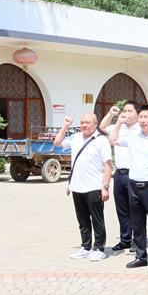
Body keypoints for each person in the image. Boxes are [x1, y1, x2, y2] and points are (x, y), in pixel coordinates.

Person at [110, 105, 148, 271]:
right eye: (141, 117)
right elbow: (113, 140)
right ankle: (140, 257)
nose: (143, 120)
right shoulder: (133, 137)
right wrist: (118, 123)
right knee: (137, 225)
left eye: (146, 117)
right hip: (134, 186)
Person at [54, 112, 112, 261]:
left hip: (94, 186)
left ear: (95, 124)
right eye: (82, 123)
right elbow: (57, 142)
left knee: (97, 219)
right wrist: (65, 126)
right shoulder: (76, 137)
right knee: (83, 220)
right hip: (77, 186)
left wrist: (105, 187)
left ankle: (99, 248)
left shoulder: (101, 140)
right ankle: (86, 247)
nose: (84, 125)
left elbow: (108, 166)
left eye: (87, 122)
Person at [100, 100, 140, 252]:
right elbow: (103, 127)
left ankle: (138, 239)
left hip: (134, 173)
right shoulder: (119, 127)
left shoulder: (140, 129)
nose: (126, 114)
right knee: (122, 209)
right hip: (119, 173)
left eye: (130, 111)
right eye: (125, 111)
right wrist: (112, 114)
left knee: (135, 209)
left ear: (137, 114)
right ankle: (125, 239)